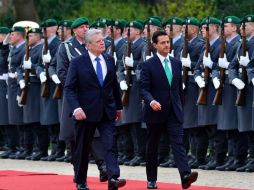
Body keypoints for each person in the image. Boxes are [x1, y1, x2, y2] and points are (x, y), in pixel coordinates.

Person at [64, 29, 126, 190]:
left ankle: (113, 178)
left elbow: (113, 86)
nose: (102, 43)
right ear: (88, 45)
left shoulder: (109, 59)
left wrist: (118, 107)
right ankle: (81, 180)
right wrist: (76, 108)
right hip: (85, 112)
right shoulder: (78, 63)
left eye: (103, 40)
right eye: (98, 41)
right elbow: (69, 88)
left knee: (110, 143)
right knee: (82, 148)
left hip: (107, 110)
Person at [140, 30, 198, 189]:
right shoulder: (148, 65)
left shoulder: (176, 63)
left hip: (174, 111)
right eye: (163, 43)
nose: (167, 45)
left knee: (178, 144)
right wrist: (151, 101)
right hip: (155, 112)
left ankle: (185, 175)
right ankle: (151, 179)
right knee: (153, 147)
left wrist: (180, 107)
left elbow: (178, 89)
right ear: (155, 45)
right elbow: (143, 89)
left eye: (168, 42)